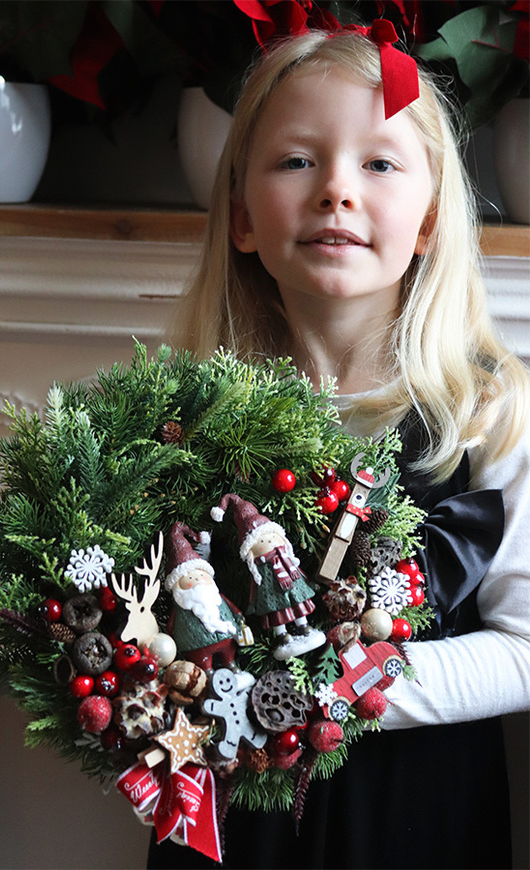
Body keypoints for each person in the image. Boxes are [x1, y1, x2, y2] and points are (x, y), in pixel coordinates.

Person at [147, 21, 530, 870]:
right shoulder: (186, 417)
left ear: (429, 221)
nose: (336, 191)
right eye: (297, 160)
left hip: (416, 815)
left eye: (379, 164)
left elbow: (525, 649)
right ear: (242, 218)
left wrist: (327, 692)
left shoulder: (490, 414)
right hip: (231, 819)